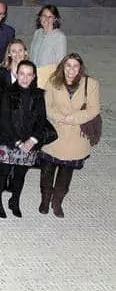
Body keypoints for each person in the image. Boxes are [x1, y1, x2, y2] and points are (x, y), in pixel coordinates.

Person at [40, 53, 99, 218]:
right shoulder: (53, 81)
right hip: (54, 135)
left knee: (66, 174)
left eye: (75, 66)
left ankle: (57, 201)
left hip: (76, 138)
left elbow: (94, 109)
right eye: (68, 65)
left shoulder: (91, 84)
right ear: (62, 66)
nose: (71, 69)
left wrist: (74, 118)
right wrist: (60, 118)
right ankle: (45, 199)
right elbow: (47, 106)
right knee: (46, 172)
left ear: (80, 67)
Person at [0, 60, 52, 218]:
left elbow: (42, 120)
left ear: (33, 77)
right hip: (9, 140)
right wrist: (18, 142)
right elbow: (5, 121)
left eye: (29, 75)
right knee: (3, 172)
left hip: (29, 142)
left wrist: (32, 140)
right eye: (21, 74)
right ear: (16, 74)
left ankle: (15, 201)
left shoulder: (39, 95)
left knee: (20, 174)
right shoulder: (7, 93)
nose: (25, 78)